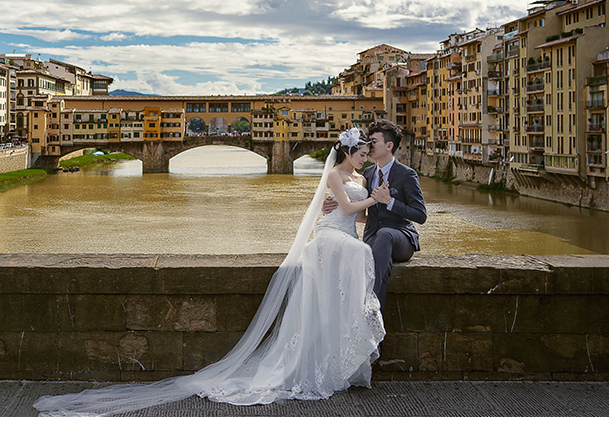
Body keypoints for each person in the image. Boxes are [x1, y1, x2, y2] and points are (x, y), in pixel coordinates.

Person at [33, 128, 386, 416]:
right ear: (346, 152)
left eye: (367, 153)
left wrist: (370, 204)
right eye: (361, 153)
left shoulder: (360, 176)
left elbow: (356, 213)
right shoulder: (335, 174)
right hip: (330, 239)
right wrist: (373, 200)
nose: (365, 157)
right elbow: (347, 206)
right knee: (360, 255)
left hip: (343, 235)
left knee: (354, 263)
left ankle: (342, 360)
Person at [323, 120, 427, 310]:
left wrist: (390, 201)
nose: (369, 147)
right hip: (372, 238)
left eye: (374, 141)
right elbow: (357, 210)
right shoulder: (367, 174)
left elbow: (420, 215)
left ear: (389, 146)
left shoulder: (407, 174)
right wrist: (331, 205)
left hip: (400, 237)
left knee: (385, 234)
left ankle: (372, 308)